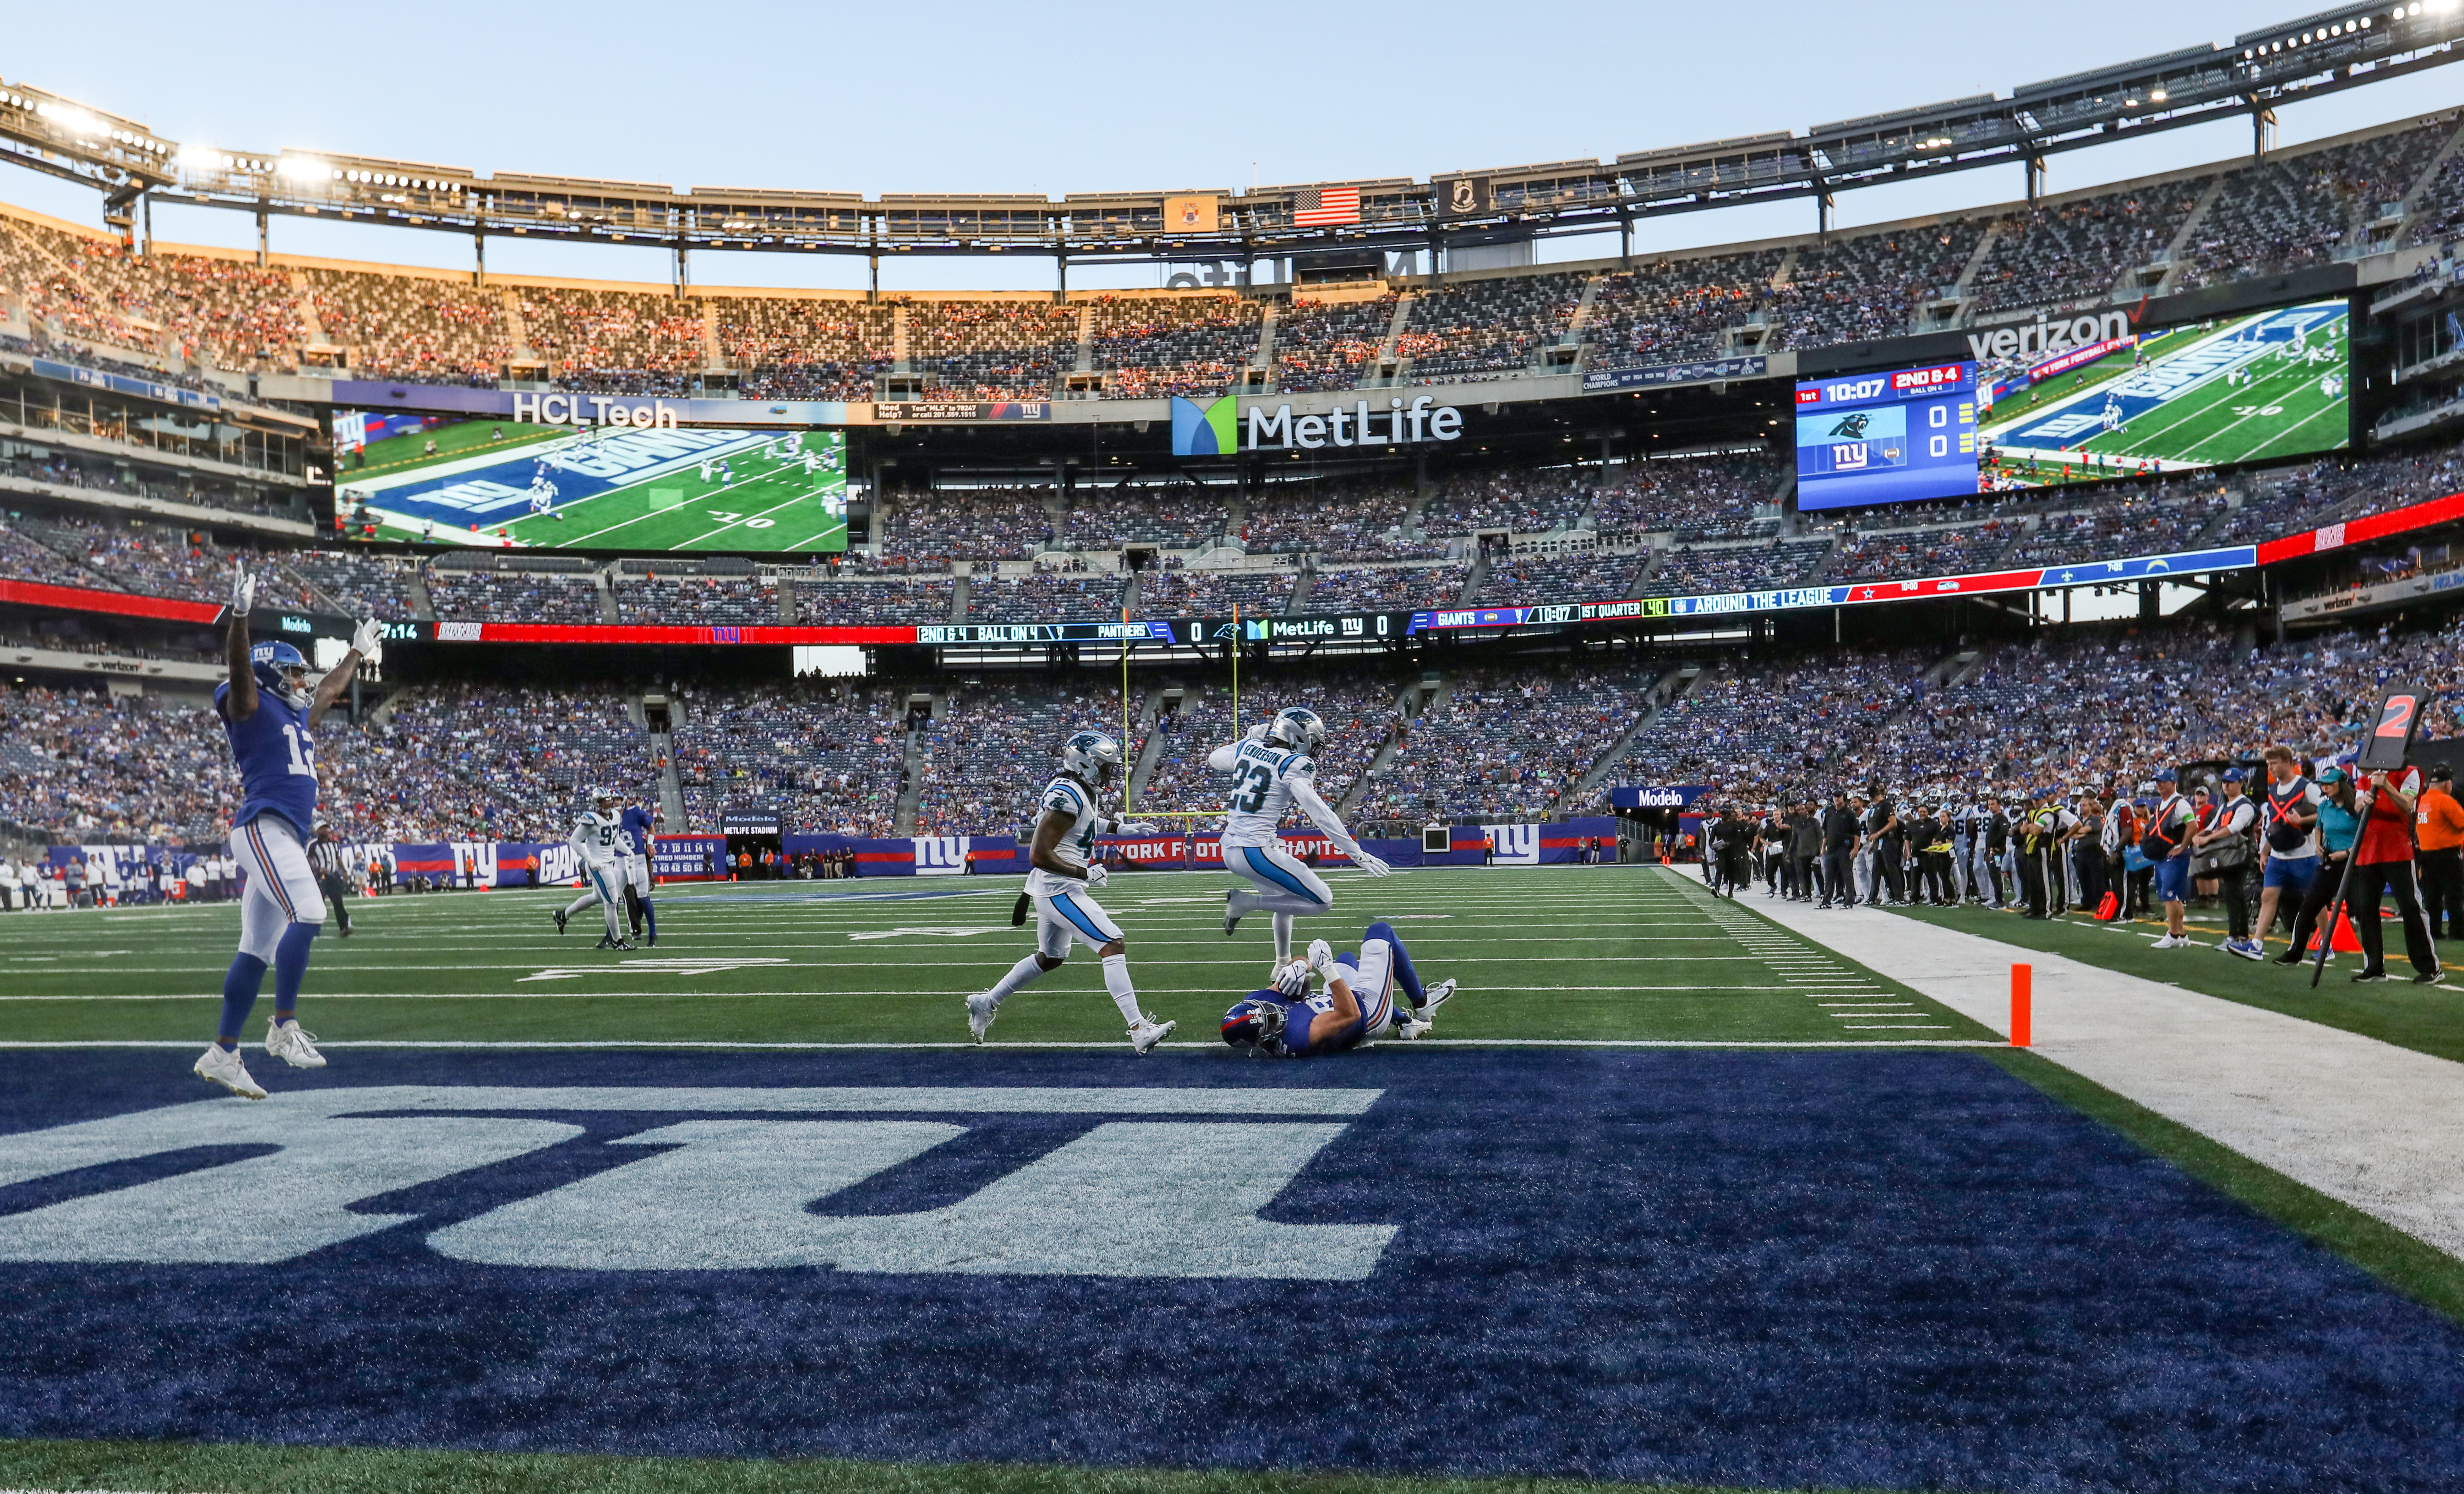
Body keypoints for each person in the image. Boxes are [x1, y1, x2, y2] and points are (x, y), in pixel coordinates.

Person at [193, 563, 376, 1100]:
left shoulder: (294, 716)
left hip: (283, 835)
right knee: (313, 910)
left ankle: (223, 1051)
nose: (303, 682)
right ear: (272, 676)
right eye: (294, 674)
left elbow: (329, 690)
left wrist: (357, 652)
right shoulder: (251, 704)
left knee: (256, 948)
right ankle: (283, 1026)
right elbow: (241, 673)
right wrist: (241, 619)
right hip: (263, 827)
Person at [966, 730, 1175, 1053]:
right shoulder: (1067, 793)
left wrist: (1120, 828)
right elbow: (1038, 854)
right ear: (1085, 764)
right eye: (1104, 767)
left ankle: (986, 1002)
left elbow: (1084, 822)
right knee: (1112, 944)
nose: (1109, 774)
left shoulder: (1079, 790)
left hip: (1053, 886)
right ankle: (1138, 1029)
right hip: (1059, 887)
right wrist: (1084, 872)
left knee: (1050, 958)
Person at [1213, 707, 1391, 973]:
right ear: (1299, 736)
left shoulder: (1249, 748)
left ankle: (1282, 962)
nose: (1315, 748)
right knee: (1322, 900)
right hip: (1254, 852)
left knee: (1284, 899)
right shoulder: (1293, 764)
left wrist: (1248, 737)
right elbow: (1319, 812)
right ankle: (1245, 903)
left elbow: (1214, 758)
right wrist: (1356, 853)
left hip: (1231, 847)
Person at [1219, 923, 1459, 1058]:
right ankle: (1422, 1002)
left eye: (1268, 1011)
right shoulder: (1295, 1040)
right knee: (1380, 934)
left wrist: (1299, 967)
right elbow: (1350, 1014)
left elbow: (1301, 985)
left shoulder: (1257, 1003)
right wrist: (1328, 970)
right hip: (1367, 1016)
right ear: (1263, 1040)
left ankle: (1405, 1022)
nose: (1275, 1014)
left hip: (1334, 1003)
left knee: (1346, 960)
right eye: (1270, 1022)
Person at [2346, 756, 2443, 985]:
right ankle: (2374, 967)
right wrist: (2364, 800)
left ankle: (2431, 967)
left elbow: (2408, 806)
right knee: (2366, 910)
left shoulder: (2411, 772)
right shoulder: (2363, 779)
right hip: (2368, 851)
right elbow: (2358, 805)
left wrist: (2386, 786)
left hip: (2397, 851)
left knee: (2411, 907)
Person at [2278, 766, 2364, 968]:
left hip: (2354, 864)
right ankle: (2295, 952)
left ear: (2341, 785)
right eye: (2323, 785)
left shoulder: (2357, 807)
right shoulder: (2325, 806)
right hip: (2329, 862)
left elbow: (2365, 836)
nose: (2325, 788)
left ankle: (2372, 961)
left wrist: (2347, 852)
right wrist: (2319, 845)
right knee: (2309, 906)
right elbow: (2319, 827)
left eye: (2329, 784)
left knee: (2362, 911)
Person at [553, 787, 634, 951]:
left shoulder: (616, 816)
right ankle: (617, 942)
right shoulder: (591, 819)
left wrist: (627, 850)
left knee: (597, 898)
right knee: (612, 902)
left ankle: (563, 915)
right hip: (598, 866)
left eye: (609, 799)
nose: (608, 803)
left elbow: (614, 838)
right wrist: (589, 859)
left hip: (609, 863)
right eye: (603, 801)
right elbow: (575, 841)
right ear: (596, 803)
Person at [2194, 769, 2262, 959]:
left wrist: (2208, 838)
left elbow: (2234, 828)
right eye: (2224, 782)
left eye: (2230, 782)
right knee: (2234, 894)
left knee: (2234, 893)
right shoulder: (2225, 805)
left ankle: (2236, 936)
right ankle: (2239, 936)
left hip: (2240, 854)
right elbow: (2212, 826)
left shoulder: (2245, 805)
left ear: (2241, 783)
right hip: (2228, 853)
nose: (2226, 786)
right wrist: (2200, 836)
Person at [2144, 769, 2199, 948]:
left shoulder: (2180, 804)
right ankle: (2181, 933)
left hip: (2175, 855)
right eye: (2158, 782)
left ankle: (2173, 935)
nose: (2159, 785)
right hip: (2165, 855)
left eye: (2163, 782)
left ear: (2173, 783)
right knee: (2173, 896)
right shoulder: (2162, 804)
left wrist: (2182, 847)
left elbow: (2193, 826)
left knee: (2169, 895)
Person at [2415, 763, 2464, 941]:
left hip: (2426, 854)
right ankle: (2457, 931)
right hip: (2447, 854)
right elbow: (2461, 822)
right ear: (2447, 784)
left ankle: (2434, 930)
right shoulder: (2445, 800)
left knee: (2432, 896)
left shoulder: (2423, 801)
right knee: (2454, 893)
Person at [619, 796, 660, 946]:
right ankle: (614, 936)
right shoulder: (608, 818)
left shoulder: (635, 813)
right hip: (620, 861)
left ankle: (653, 934)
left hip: (638, 859)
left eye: (618, 799)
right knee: (615, 899)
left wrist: (650, 844)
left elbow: (651, 827)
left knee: (643, 898)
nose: (615, 803)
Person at [306, 822, 353, 938]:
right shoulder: (313, 845)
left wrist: (345, 871)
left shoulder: (334, 844)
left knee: (338, 903)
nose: (327, 830)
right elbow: (307, 861)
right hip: (320, 878)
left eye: (327, 828)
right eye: (323, 828)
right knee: (317, 904)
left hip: (334, 876)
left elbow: (338, 859)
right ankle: (313, 929)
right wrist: (318, 869)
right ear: (317, 831)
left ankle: (344, 928)